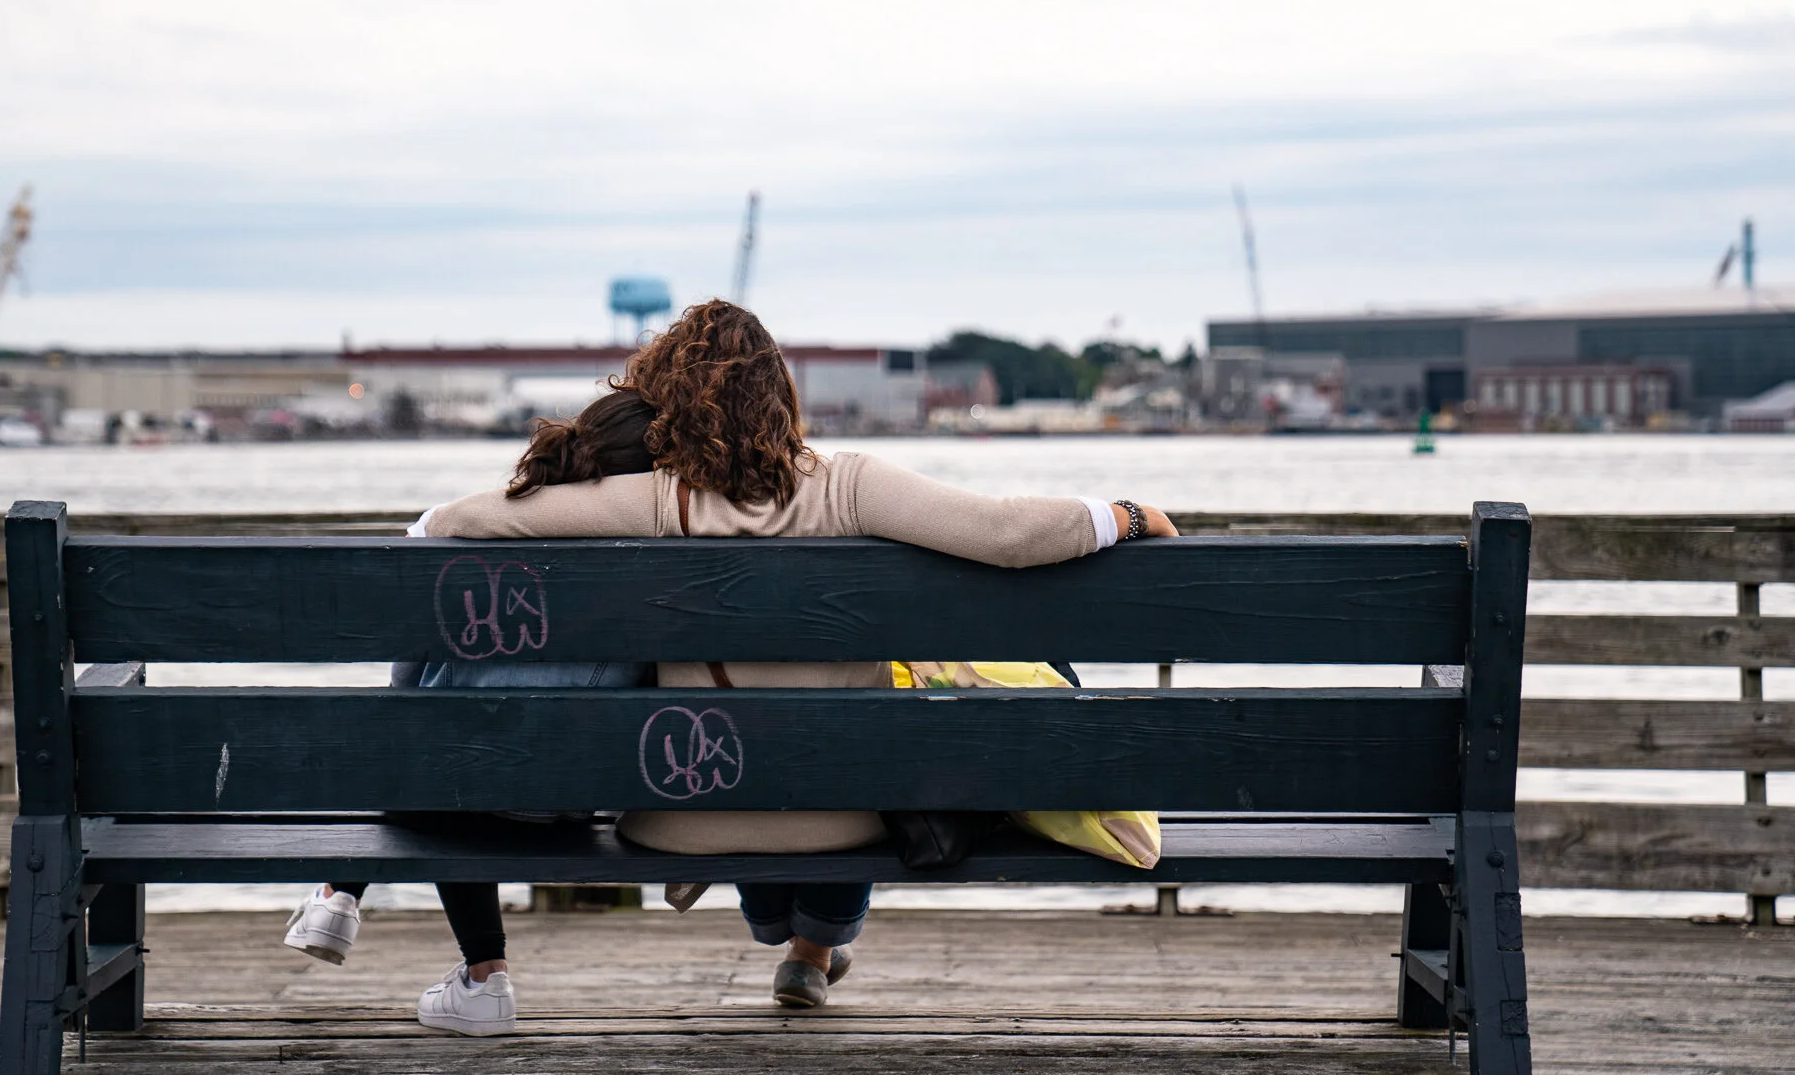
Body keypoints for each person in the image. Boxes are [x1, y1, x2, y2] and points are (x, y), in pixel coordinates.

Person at [292, 300, 1177, 1032]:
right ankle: (812, 948)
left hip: (685, 816)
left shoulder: (651, 501)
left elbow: (461, 523)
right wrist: (1129, 516)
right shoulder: (849, 485)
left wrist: (429, 525)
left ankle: (782, 934)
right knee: (837, 735)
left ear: (668, 400)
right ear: (781, 393)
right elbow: (1008, 535)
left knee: (747, 733)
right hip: (844, 823)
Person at [281, 389, 661, 1037]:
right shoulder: (666, 555)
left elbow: (406, 672)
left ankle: (354, 903)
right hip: (570, 806)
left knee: (444, 754)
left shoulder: (477, 522)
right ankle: (368, 914)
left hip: (446, 795)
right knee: (473, 762)